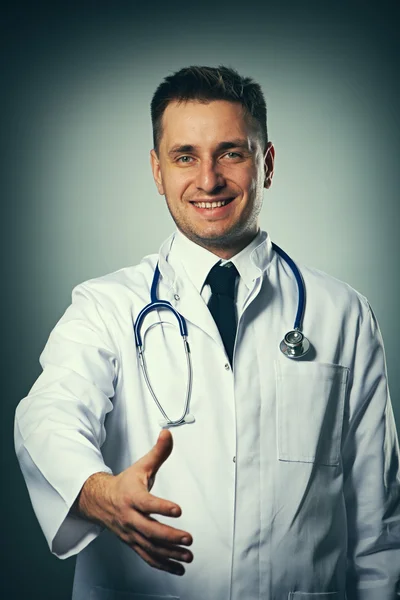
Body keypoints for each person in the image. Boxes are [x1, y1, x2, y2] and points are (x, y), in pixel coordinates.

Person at [15, 65, 400, 600]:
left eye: (231, 153)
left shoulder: (345, 315)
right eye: (184, 156)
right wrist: (100, 493)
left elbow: (378, 524)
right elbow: (47, 417)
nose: (209, 179)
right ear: (157, 171)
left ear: (266, 163)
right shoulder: (104, 306)